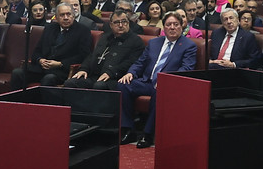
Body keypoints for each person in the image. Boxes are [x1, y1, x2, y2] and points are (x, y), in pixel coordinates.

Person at [119, 12, 198, 148]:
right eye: (168, 25)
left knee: (160, 91)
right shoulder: (154, 43)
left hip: (168, 85)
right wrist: (130, 73)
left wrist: (166, 81)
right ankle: (128, 129)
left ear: (181, 26)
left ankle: (148, 134)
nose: (172, 27)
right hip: (147, 82)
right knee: (123, 85)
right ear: (164, 27)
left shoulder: (189, 46)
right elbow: (140, 63)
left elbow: (186, 68)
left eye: (175, 24)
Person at [10, 1, 93, 89]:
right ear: (56, 17)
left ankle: (40, 103)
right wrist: (40, 60)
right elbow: (37, 51)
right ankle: (17, 101)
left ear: (73, 15)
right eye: (62, 15)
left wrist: (60, 64)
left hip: (62, 70)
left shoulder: (83, 31)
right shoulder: (50, 28)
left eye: (68, 14)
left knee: (49, 78)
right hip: (42, 68)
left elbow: (83, 55)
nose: (66, 18)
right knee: (17, 73)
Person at [68, 9, 146, 90]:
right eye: (116, 22)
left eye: (124, 22)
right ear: (111, 25)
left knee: (99, 86)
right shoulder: (105, 37)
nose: (121, 25)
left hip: (116, 78)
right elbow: (92, 56)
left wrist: (110, 73)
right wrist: (84, 69)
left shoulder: (136, 41)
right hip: (94, 76)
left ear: (128, 23)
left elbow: (130, 63)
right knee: (71, 83)